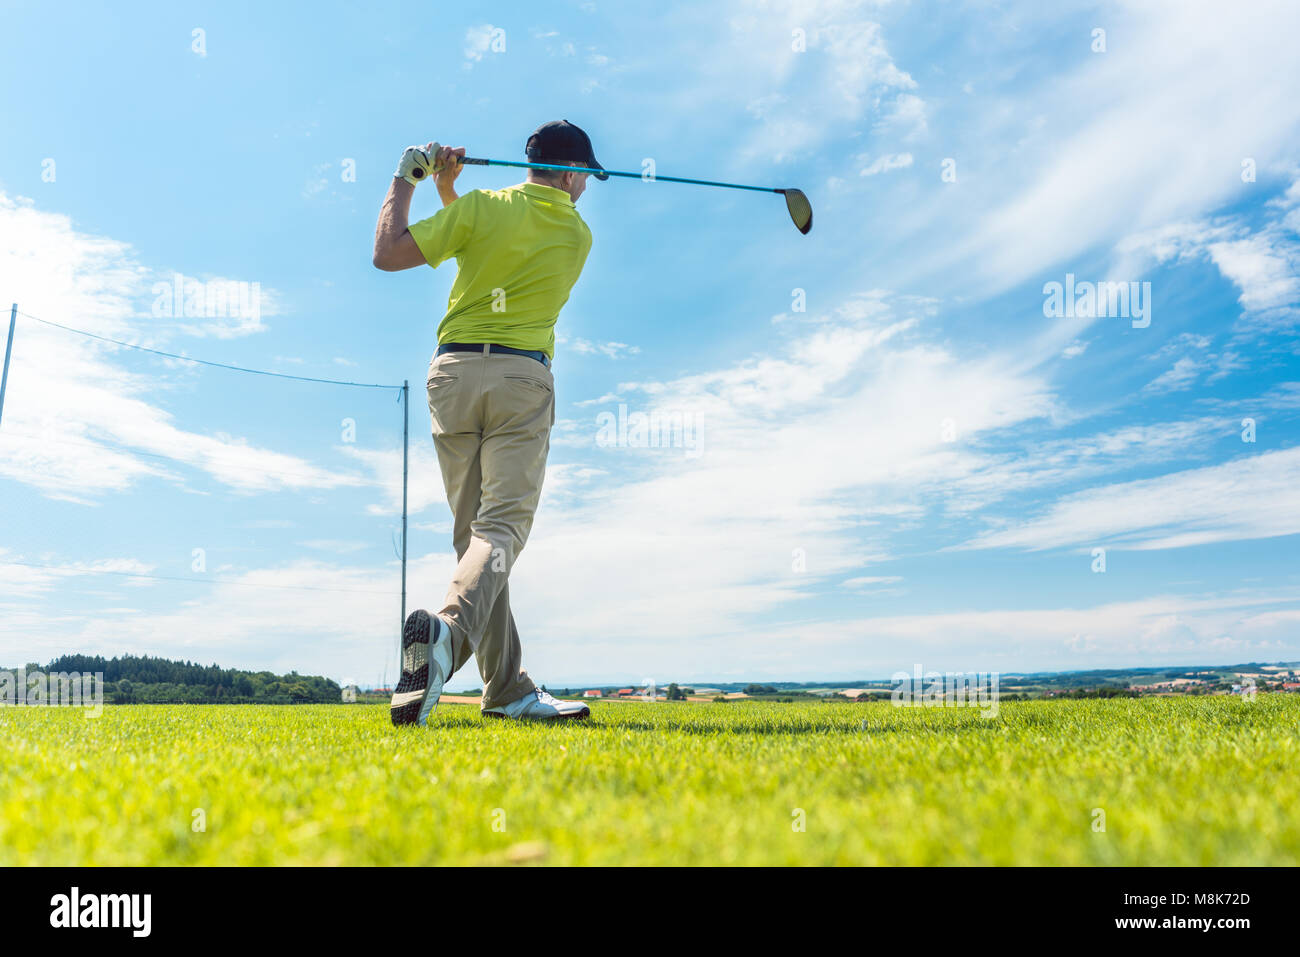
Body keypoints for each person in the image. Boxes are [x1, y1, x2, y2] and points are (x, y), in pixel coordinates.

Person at [372, 121, 605, 725]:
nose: (585, 191)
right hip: (520, 382)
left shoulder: (479, 208)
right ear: (573, 174)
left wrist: (414, 180)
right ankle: (447, 636)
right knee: (500, 530)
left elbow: (389, 252)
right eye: (586, 179)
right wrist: (452, 193)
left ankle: (506, 689)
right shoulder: (577, 234)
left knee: (474, 540)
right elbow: (498, 250)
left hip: (451, 378)